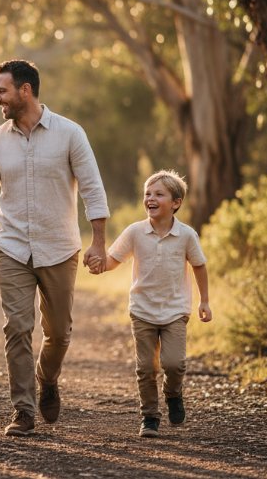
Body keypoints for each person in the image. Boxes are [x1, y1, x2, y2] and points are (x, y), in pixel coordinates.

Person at [0, 59, 109, 437]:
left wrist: (99, 243)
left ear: (25, 91)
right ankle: (23, 410)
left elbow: (92, 187)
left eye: (2, 91)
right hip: (11, 247)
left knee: (59, 333)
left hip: (59, 247)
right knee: (18, 327)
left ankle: (48, 378)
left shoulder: (71, 134)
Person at [97, 169, 212, 438]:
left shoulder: (186, 235)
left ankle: (173, 394)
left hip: (175, 310)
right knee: (146, 366)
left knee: (174, 363)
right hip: (142, 310)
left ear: (176, 202)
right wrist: (99, 264)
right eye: (147, 193)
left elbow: (199, 265)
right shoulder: (135, 232)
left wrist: (204, 301)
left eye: (159, 194)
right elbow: (113, 259)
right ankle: (149, 417)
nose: (150, 198)